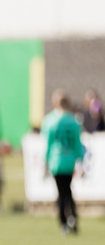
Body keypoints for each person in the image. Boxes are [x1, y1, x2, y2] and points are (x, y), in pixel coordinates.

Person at [41, 89, 84, 234]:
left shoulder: (50, 120)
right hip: (70, 160)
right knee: (68, 190)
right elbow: (77, 144)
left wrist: (45, 162)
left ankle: (64, 222)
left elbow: (48, 144)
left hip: (56, 160)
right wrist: (80, 161)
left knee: (61, 192)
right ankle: (72, 217)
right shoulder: (74, 121)